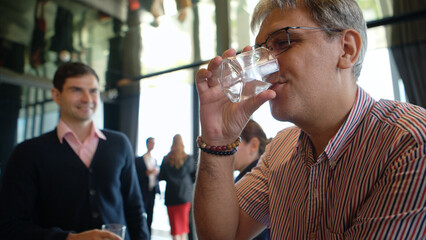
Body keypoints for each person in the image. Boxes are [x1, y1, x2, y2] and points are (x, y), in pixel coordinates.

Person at [193, 0, 426, 239]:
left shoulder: (411, 143)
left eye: (282, 42)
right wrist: (217, 139)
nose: (264, 69)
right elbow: (223, 235)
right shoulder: (281, 150)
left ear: (346, 49)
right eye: (261, 52)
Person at [0, 62, 150, 240]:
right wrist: (70, 239)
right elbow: (11, 226)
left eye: (93, 91)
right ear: (56, 95)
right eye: (76, 90)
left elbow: (135, 211)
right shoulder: (27, 153)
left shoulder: (119, 144)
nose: (87, 99)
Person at [234, 119, 271, 240]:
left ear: (254, 145)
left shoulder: (256, 182)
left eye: (233, 144)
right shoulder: (244, 177)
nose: (226, 149)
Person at [159, 134, 196, 240]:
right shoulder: (188, 159)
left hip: (171, 197)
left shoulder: (166, 159)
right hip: (185, 196)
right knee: (184, 228)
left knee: (175, 229)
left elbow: (161, 177)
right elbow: (194, 177)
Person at [135, 137, 160, 237]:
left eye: (154, 143)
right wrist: (147, 173)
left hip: (152, 191)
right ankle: (140, 234)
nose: (152, 145)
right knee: (141, 214)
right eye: (151, 142)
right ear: (146, 143)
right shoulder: (139, 160)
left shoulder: (155, 160)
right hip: (142, 191)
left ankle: (148, 236)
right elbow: (135, 176)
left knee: (150, 215)